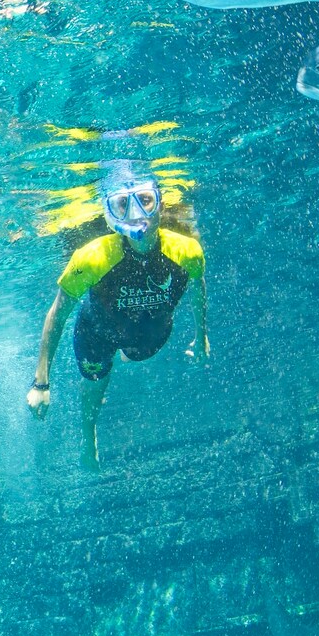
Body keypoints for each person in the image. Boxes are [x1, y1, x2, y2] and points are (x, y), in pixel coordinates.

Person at [27, 160, 209, 468]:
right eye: (123, 205)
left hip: (151, 333)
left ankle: (122, 357)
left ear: (160, 204)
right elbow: (57, 313)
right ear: (111, 214)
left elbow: (198, 288)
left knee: (136, 355)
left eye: (145, 200)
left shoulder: (187, 251)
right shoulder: (91, 258)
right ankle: (89, 435)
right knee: (96, 380)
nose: (137, 213)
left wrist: (201, 336)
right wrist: (41, 382)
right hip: (97, 333)